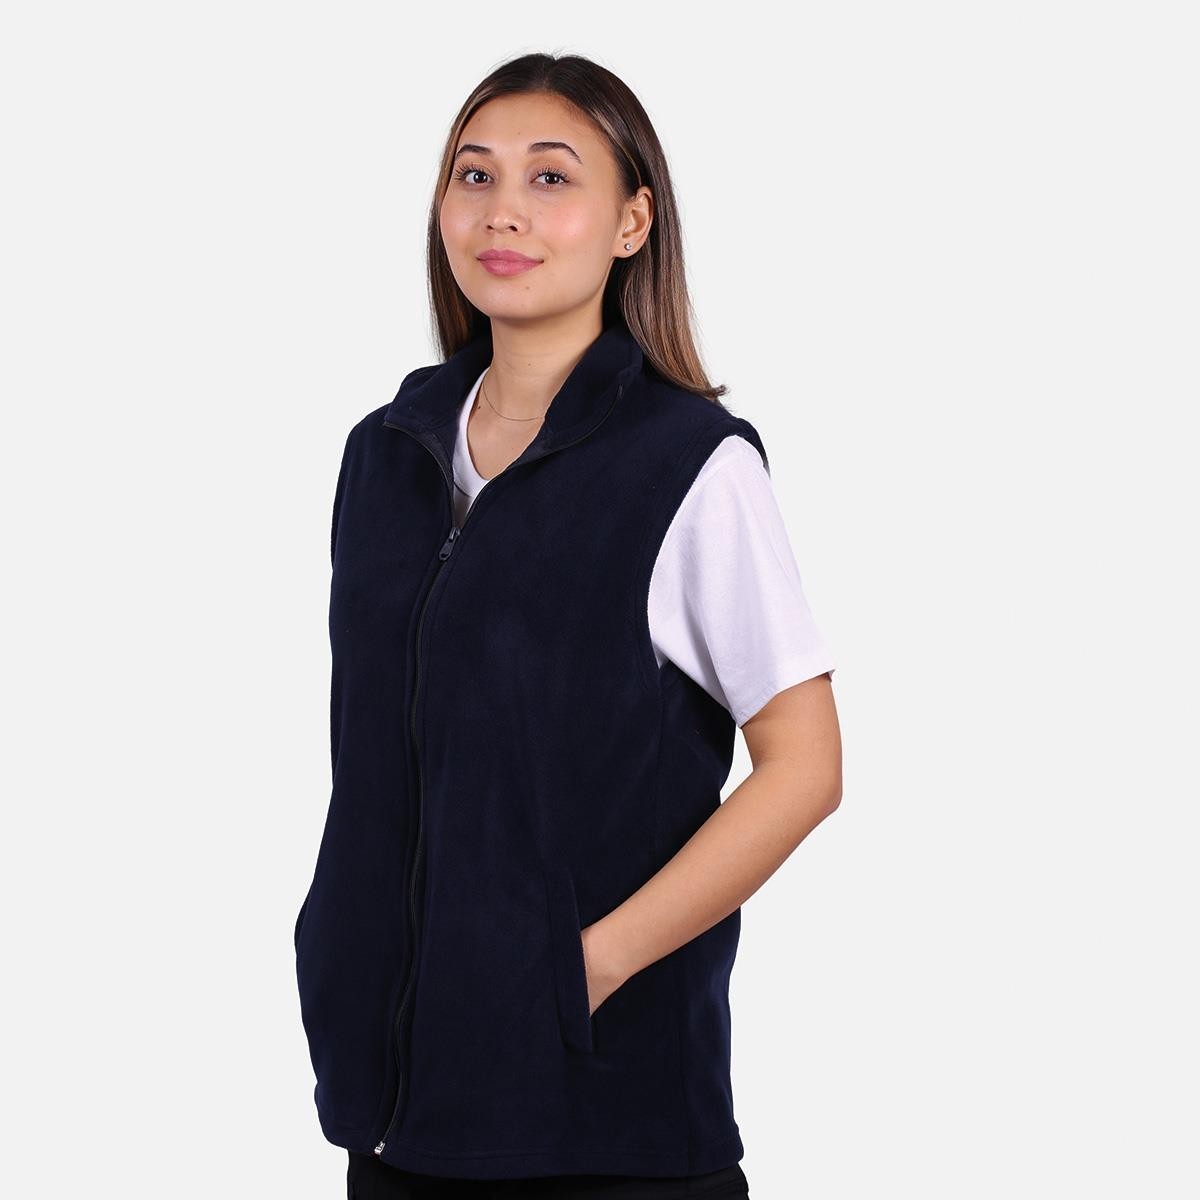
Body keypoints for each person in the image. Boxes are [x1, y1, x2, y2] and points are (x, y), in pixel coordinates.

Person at [294, 51, 843, 1200]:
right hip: (388, 1119)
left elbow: (805, 769)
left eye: (552, 178)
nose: (504, 210)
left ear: (633, 220)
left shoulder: (690, 467)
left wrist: (582, 970)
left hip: (606, 1130)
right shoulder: (384, 456)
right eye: (474, 175)